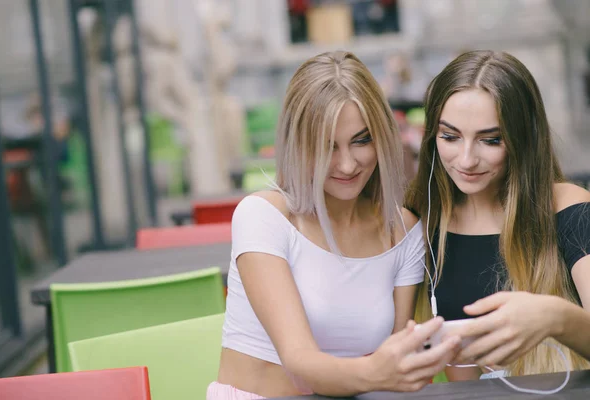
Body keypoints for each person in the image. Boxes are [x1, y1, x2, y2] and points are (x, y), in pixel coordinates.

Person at [208, 51, 461, 399]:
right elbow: (299, 363)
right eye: (326, 147)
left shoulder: (402, 231)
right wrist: (378, 371)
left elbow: (397, 362)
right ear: (299, 145)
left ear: (383, 138)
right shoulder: (262, 216)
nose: (346, 164)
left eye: (361, 140)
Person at [405, 50, 590, 382]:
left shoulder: (569, 209)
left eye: (490, 140)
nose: (466, 160)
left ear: (523, 139)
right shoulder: (422, 218)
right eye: (449, 136)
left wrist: (555, 317)